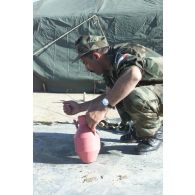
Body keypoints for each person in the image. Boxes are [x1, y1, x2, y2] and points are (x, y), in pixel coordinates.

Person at [63, 35, 163, 154]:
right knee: (118, 92)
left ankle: (153, 133)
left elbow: (133, 75)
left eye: (86, 63)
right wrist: (80, 107)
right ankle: (139, 129)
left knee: (132, 94)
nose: (87, 68)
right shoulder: (109, 66)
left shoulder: (122, 55)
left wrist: (102, 109)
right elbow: (109, 95)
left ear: (96, 56)